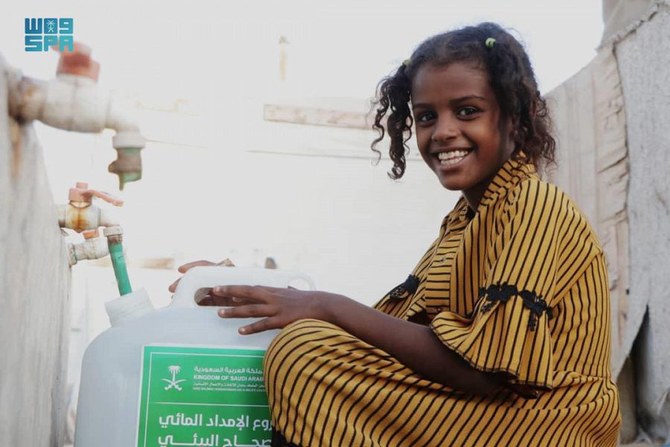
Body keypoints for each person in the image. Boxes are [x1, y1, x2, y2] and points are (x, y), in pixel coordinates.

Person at [171, 22, 621, 446]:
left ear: (515, 117)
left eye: (467, 111)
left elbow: (485, 371)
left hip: (546, 422)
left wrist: (325, 305)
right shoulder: (465, 220)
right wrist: (251, 292)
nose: (443, 132)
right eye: (425, 117)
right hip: (491, 411)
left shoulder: (534, 205)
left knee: (302, 357)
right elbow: (389, 332)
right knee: (301, 344)